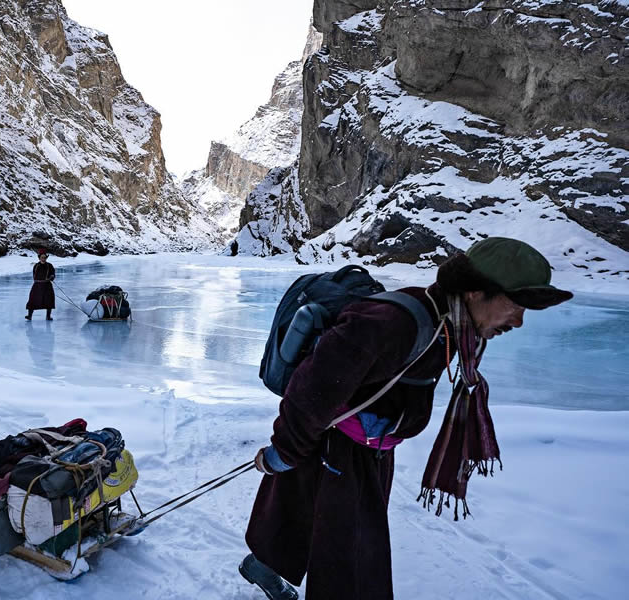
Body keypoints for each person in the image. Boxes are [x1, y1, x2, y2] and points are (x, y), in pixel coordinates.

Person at [239, 237, 573, 600]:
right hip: (340, 450)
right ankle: (268, 566)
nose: (520, 321)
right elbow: (311, 389)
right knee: (352, 562)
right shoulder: (397, 322)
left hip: (367, 447)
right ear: (476, 292)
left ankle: (264, 566)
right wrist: (283, 452)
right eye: (515, 305)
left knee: (307, 519)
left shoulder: (448, 326)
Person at [26, 248, 55, 321]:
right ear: (39, 258)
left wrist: (52, 277)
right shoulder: (36, 266)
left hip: (47, 286)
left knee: (49, 300)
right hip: (37, 286)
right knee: (32, 300)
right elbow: (34, 276)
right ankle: (29, 316)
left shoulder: (50, 265)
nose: (43, 259)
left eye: (44, 257)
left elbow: (53, 274)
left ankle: (48, 316)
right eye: (42, 257)